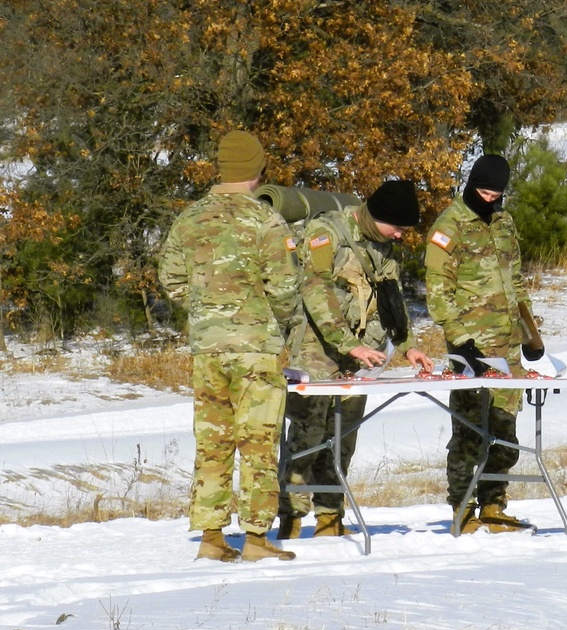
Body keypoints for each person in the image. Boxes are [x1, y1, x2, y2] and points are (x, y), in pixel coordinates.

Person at [158, 130, 302, 562]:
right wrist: (266, 316)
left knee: (213, 442)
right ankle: (256, 538)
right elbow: (283, 289)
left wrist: (207, 309)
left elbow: (170, 279)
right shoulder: (266, 221)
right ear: (258, 170)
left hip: (207, 349)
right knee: (257, 443)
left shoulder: (189, 218)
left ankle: (211, 538)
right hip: (256, 348)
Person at [278, 179, 434, 540]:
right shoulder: (325, 233)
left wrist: (408, 344)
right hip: (318, 350)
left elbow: (392, 299)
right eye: (397, 227)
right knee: (308, 433)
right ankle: (291, 519)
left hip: (362, 354)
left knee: (343, 436)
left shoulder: (385, 248)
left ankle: (330, 517)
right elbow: (315, 291)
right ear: (377, 216)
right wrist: (347, 344)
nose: (399, 236)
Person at [424, 154, 545, 534]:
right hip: (471, 348)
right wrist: (462, 342)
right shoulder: (449, 227)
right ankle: (463, 508)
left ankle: (494, 505)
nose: (490, 198)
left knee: (506, 431)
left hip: (508, 348)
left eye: (497, 193)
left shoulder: (505, 223)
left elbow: (517, 281)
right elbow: (437, 294)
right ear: (472, 184)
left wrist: (531, 336)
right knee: (470, 433)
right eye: (483, 191)